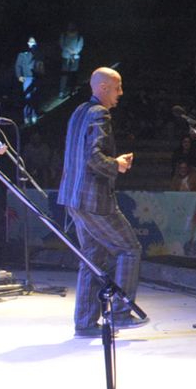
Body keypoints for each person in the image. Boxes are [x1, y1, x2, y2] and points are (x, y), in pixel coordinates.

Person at [58, 67, 143, 338]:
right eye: (117, 88)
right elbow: (93, 157)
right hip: (93, 199)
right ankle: (119, 313)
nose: (120, 93)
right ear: (104, 87)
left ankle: (84, 323)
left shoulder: (79, 111)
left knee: (92, 258)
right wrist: (115, 164)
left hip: (73, 197)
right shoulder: (100, 113)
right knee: (129, 249)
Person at [15, 37, 41, 124]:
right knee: (28, 98)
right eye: (31, 43)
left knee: (34, 97)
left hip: (35, 77)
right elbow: (18, 66)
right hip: (27, 79)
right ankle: (26, 116)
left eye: (33, 43)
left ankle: (33, 115)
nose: (32, 45)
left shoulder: (36, 54)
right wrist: (19, 76)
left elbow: (39, 64)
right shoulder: (22, 55)